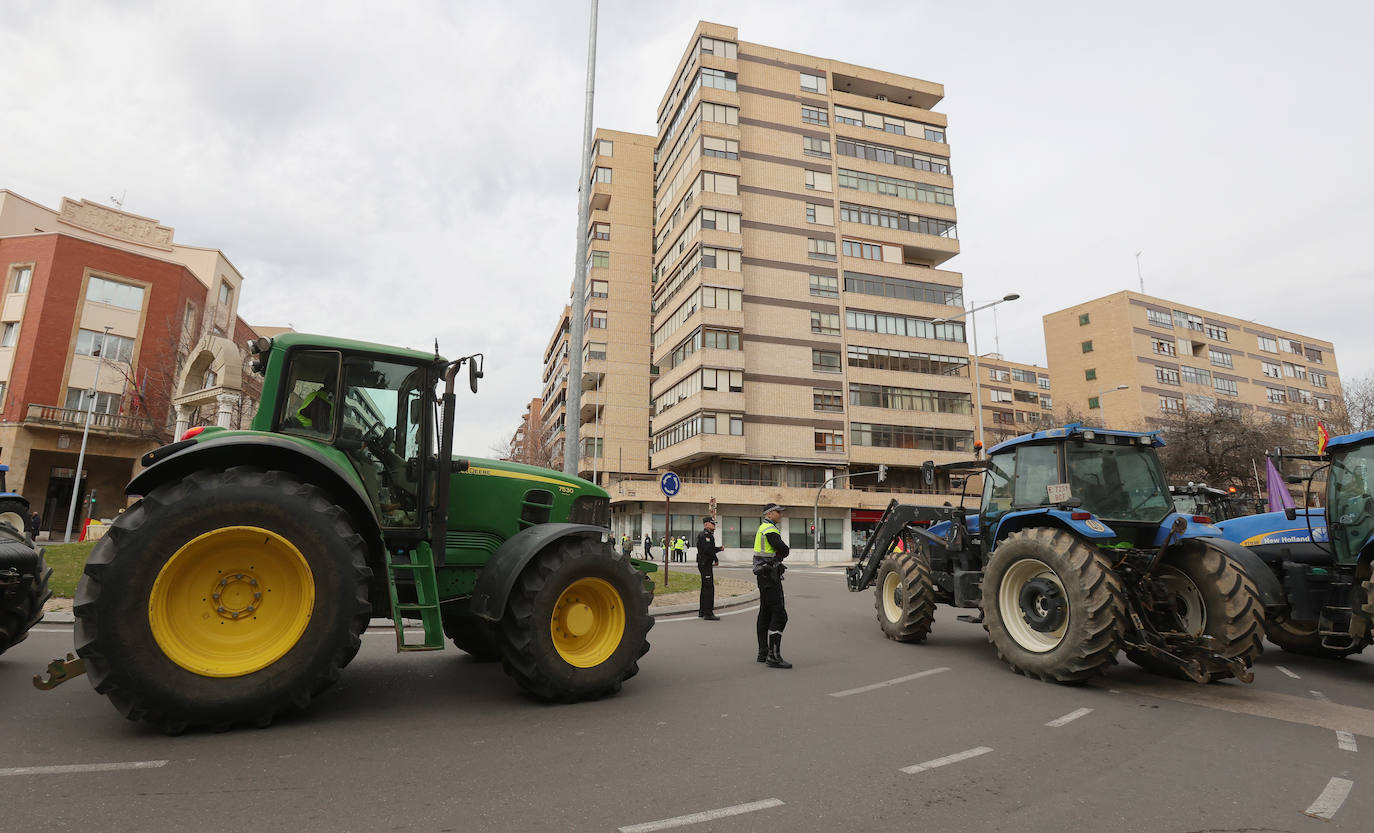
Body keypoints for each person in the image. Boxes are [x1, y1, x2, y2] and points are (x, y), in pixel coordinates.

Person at [753, 503, 792, 668]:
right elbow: (784, 549)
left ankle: (763, 652)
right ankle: (773, 655)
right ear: (769, 514)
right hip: (770, 576)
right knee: (780, 615)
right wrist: (781, 553)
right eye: (778, 512)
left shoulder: (762, 528)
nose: (780, 515)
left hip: (764, 576)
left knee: (765, 613)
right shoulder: (769, 529)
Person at [695, 517, 721, 619]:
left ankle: (702, 611)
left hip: (704, 563)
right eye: (712, 523)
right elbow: (708, 550)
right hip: (705, 563)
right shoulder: (706, 535)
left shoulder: (708, 535)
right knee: (709, 588)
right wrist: (716, 555)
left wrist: (717, 551)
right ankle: (708, 613)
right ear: (706, 524)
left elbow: (709, 549)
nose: (714, 525)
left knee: (705, 587)